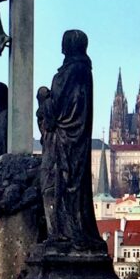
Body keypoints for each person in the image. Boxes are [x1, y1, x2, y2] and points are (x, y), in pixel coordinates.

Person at [37, 30, 102, 251]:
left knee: (57, 185)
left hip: (64, 140)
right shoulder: (84, 70)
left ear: (70, 45)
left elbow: (53, 111)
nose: (61, 47)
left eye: (64, 42)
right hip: (76, 140)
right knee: (71, 186)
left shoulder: (70, 72)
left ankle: (64, 234)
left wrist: (43, 97)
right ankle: (70, 231)